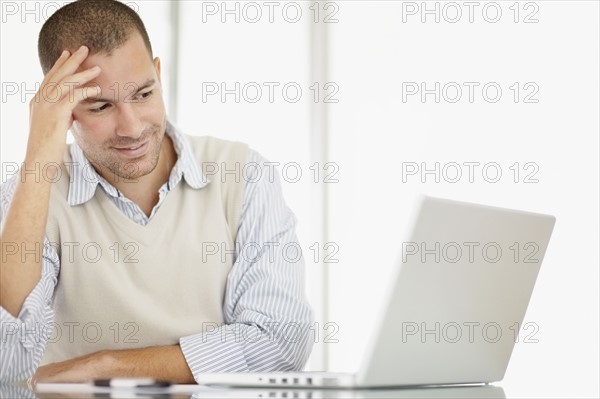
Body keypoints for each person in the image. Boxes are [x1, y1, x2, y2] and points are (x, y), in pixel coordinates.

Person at [0, 0, 313, 383]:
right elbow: (7, 362)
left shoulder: (245, 175)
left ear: (159, 75)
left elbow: (280, 343)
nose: (131, 127)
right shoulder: (29, 197)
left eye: (144, 94)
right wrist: (38, 157)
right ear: (62, 109)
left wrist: (107, 368)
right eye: (100, 106)